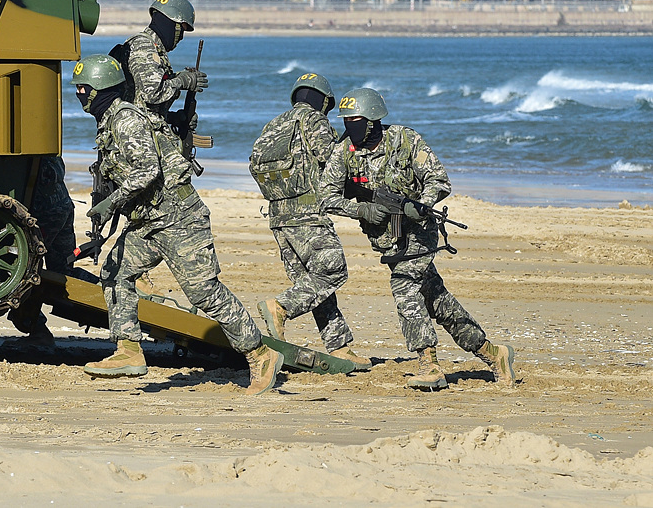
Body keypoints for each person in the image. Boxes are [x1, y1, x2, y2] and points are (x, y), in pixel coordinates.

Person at [71, 53, 284, 395]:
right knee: (115, 270)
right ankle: (128, 349)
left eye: (82, 89)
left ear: (98, 89)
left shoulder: (125, 120)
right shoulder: (110, 122)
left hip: (179, 219)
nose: (79, 95)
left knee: (205, 293)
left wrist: (112, 203)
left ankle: (260, 353)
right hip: (150, 222)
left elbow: (147, 170)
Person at [319, 88, 518, 391]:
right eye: (346, 121)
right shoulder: (343, 151)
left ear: (373, 120)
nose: (350, 127)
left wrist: (419, 204)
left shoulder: (405, 140)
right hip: (389, 240)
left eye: (356, 121)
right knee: (438, 301)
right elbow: (326, 197)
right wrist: (361, 209)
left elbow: (439, 179)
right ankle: (492, 353)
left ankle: (429, 365)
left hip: (419, 234)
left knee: (403, 287)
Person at [250, 73, 370, 370]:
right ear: (325, 101)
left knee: (312, 284)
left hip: (279, 216)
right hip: (307, 214)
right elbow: (330, 159)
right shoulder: (314, 121)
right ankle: (280, 308)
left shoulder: (275, 124)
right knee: (332, 272)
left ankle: (339, 346)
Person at [113, 0, 207, 134]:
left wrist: (173, 117)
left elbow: (143, 105)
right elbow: (153, 93)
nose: (181, 37)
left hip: (142, 132)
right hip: (137, 138)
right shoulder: (143, 46)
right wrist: (182, 81)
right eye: (181, 29)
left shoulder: (154, 49)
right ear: (171, 24)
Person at [7, 155, 76, 347]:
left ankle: (37, 330)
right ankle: (116, 294)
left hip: (44, 213)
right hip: (62, 206)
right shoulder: (47, 147)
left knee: (22, 273)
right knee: (64, 272)